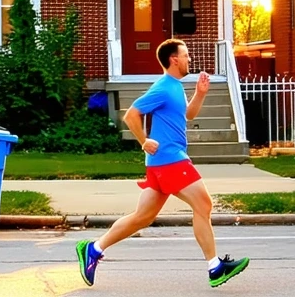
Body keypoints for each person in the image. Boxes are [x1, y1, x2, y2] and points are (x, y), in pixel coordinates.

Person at [75, 39, 249, 289]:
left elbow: (188, 114)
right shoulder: (163, 87)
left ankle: (93, 248)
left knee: (142, 218)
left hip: (162, 162)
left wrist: (200, 94)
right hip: (169, 160)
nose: (189, 59)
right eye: (186, 55)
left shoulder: (176, 87)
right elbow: (131, 114)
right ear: (173, 60)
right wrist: (144, 141)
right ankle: (215, 267)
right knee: (204, 204)